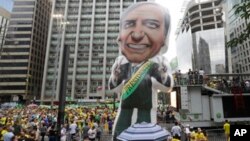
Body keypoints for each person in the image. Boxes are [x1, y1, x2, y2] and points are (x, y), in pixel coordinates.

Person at [108, 2, 173, 139]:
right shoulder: (121, 61)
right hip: (124, 111)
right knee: (120, 135)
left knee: (146, 136)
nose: (137, 35)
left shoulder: (158, 61)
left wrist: (161, 72)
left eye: (151, 25)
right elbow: (113, 87)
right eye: (129, 24)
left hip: (147, 111)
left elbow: (167, 86)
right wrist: (116, 75)